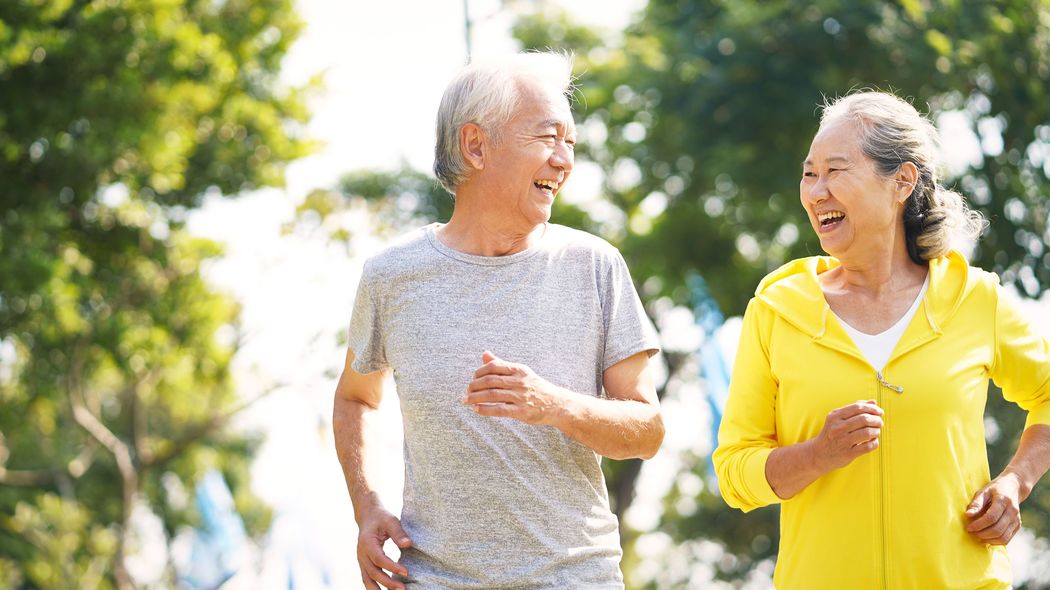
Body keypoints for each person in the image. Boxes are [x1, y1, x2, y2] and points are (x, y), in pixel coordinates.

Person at [333, 51, 664, 590]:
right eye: (548, 137)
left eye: (570, 142)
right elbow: (356, 398)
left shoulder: (595, 265)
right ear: (476, 146)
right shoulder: (391, 277)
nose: (564, 160)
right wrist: (366, 506)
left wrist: (552, 404)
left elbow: (647, 431)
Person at [713, 91, 1050, 589]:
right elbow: (734, 472)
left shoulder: (975, 299)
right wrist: (817, 454)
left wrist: (1015, 481)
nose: (815, 191)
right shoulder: (776, 311)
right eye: (809, 173)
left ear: (902, 181)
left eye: (836, 170)